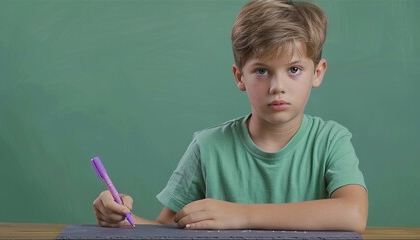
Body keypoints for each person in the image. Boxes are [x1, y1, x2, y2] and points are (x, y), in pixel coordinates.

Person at [93, 0, 368, 233]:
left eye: (294, 69)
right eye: (262, 71)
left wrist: (240, 215)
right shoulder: (208, 146)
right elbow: (165, 230)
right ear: (240, 77)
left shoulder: (332, 140)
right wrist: (120, 220)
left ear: (317, 73)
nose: (277, 87)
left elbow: (353, 214)